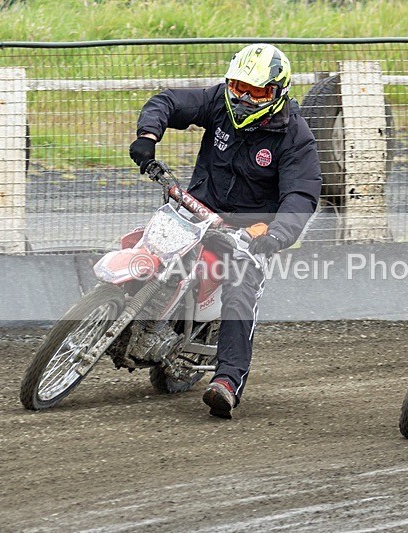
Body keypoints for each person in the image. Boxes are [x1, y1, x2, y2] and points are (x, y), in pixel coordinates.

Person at [129, 43, 321, 419]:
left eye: (258, 91)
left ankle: (228, 381)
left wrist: (277, 235)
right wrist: (147, 136)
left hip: (245, 235)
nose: (245, 98)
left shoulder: (295, 137)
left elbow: (300, 195)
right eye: (238, 86)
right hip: (194, 210)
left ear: (278, 92)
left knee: (240, 295)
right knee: (142, 244)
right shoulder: (219, 101)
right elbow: (168, 101)